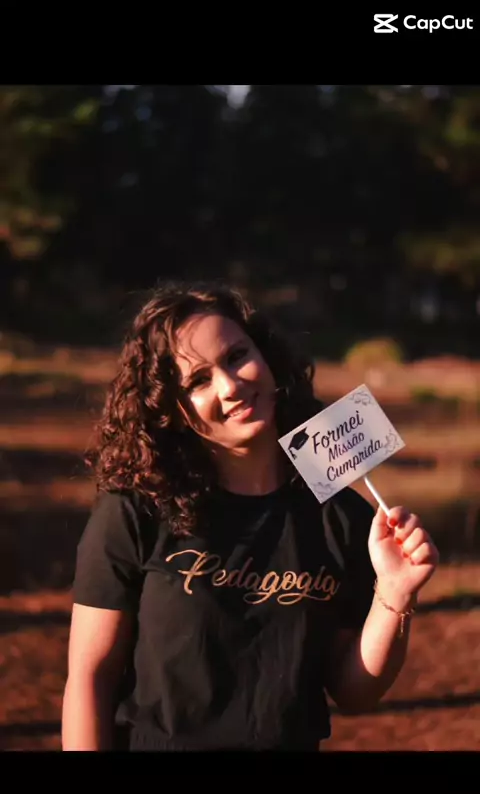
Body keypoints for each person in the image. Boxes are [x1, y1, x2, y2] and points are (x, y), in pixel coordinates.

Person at [61, 280, 439, 751]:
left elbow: (355, 693)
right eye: (198, 381)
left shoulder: (343, 517)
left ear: (267, 357)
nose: (231, 386)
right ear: (170, 409)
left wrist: (395, 594)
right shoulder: (136, 510)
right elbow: (90, 677)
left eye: (237, 356)